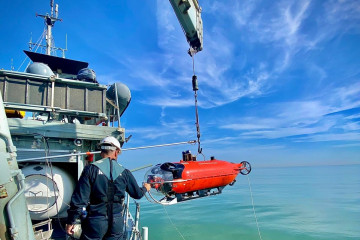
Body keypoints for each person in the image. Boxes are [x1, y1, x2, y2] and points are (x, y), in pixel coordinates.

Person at [65, 136, 151, 239]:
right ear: (116, 152)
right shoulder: (124, 172)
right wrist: (146, 188)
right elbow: (137, 194)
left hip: (95, 221)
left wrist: (71, 221)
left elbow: (79, 200)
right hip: (116, 221)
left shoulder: (90, 169)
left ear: (101, 152)